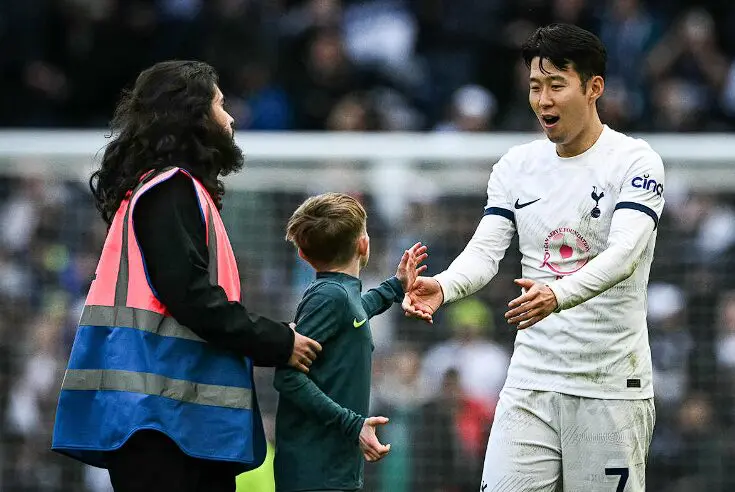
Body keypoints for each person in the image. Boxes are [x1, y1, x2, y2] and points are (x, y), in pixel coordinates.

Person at [403, 24, 664, 491]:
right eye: (535, 87)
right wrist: (443, 285)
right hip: (531, 381)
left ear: (594, 88)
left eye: (557, 86)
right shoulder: (516, 166)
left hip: (608, 386)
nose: (543, 99)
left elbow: (624, 253)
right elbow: (485, 251)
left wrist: (557, 294)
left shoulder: (635, 161)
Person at [51, 60, 323, 492]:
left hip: (173, 423)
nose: (231, 116)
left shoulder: (168, 191)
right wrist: (279, 342)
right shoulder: (168, 190)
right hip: (160, 425)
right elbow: (193, 299)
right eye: (221, 103)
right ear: (194, 115)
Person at [273, 192, 427, 492]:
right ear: (363, 244)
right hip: (314, 471)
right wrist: (352, 423)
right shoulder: (328, 297)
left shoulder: (339, 295)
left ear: (303, 255)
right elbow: (288, 377)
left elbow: (355, 312)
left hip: (331, 468)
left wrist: (395, 287)